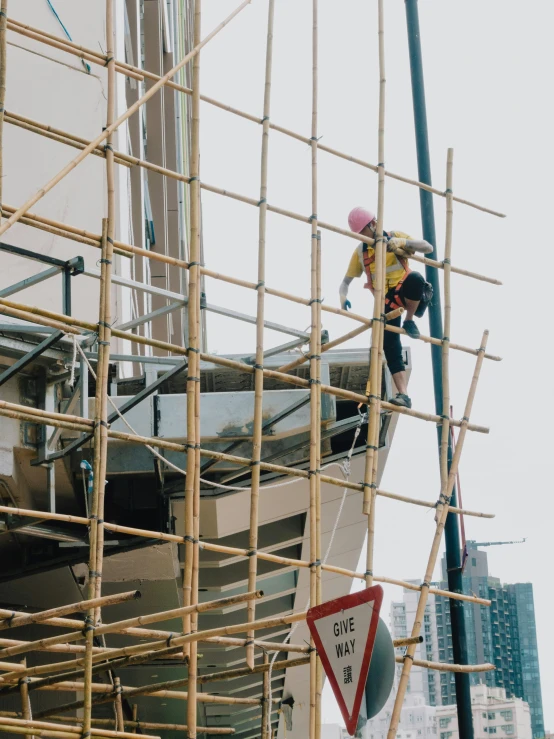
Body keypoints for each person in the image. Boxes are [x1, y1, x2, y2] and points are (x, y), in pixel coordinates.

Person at [339, 206, 433, 409]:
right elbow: (345, 282)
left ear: (373, 224)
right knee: (389, 345)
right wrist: (343, 296)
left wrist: (403, 243)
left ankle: (409, 320)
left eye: (363, 232)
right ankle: (404, 395)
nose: (362, 237)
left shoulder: (395, 236)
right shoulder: (361, 252)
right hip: (385, 302)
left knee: (417, 278)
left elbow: (428, 247)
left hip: (406, 292)